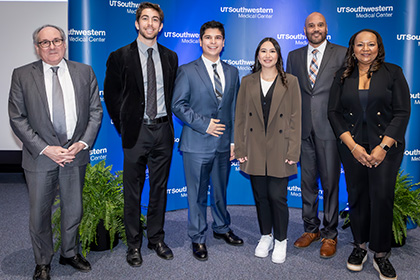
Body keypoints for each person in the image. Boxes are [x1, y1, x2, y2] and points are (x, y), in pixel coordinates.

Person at [8, 24, 103, 280]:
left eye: (57, 40)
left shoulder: (84, 72)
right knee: (39, 214)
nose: (52, 46)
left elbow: (95, 112)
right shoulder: (22, 75)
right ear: (37, 47)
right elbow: (17, 118)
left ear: (65, 43)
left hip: (75, 154)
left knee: (74, 209)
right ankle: (42, 261)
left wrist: (82, 143)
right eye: (45, 42)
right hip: (40, 158)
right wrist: (45, 148)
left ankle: (69, 252)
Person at [328, 29, 410, 280]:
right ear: (352, 48)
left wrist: (382, 147)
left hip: (386, 148)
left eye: (371, 44)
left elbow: (402, 112)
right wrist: (353, 146)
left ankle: (381, 254)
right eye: (360, 44)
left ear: (379, 47)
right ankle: (360, 247)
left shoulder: (393, 73)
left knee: (382, 197)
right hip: (352, 146)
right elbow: (333, 113)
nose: (366, 49)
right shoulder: (342, 75)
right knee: (357, 195)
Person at [103, 2, 178, 267]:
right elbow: (111, 97)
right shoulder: (119, 56)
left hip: (163, 132)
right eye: (144, 19)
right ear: (137, 23)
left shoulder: (170, 57)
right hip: (136, 133)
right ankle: (133, 244)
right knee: (132, 192)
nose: (149, 23)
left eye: (155, 19)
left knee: (159, 189)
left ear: (160, 25)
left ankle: (156, 238)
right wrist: (125, 127)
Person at [172, 20, 243, 261]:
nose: (213, 42)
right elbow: (178, 105)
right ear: (200, 41)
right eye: (208, 38)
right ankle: (198, 237)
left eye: (217, 38)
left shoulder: (233, 72)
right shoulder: (187, 70)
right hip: (196, 144)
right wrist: (205, 124)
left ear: (224, 42)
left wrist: (234, 141)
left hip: (223, 145)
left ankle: (222, 228)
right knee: (197, 194)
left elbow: (234, 109)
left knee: (221, 192)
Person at [234, 38, 301, 263]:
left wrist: (293, 152)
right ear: (257, 55)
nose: (267, 55)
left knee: (277, 197)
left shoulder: (290, 81)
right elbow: (241, 118)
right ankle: (266, 236)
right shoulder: (247, 81)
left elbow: (295, 119)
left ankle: (281, 240)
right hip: (254, 148)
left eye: (272, 51)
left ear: (278, 55)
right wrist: (241, 147)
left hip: (280, 148)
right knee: (261, 197)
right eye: (263, 51)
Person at [286, 12, 346, 258]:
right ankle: (311, 229)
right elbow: (290, 94)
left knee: (331, 184)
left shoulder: (342, 54)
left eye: (319, 25)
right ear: (304, 29)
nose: (315, 29)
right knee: (307, 184)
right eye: (311, 25)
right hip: (303, 131)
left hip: (330, 130)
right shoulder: (294, 56)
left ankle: (330, 234)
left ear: (326, 28)